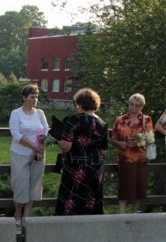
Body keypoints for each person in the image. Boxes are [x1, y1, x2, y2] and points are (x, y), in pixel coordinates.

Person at [55, 88, 108, 215]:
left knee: (72, 198)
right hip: (95, 166)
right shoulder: (102, 123)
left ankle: (69, 228)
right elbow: (103, 151)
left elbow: (66, 146)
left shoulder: (74, 119)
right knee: (92, 199)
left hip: (76, 165)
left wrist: (58, 141)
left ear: (79, 103)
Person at [9, 84, 49, 221]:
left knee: (34, 186)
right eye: (32, 97)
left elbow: (46, 131)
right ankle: (18, 214)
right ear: (24, 97)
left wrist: (40, 148)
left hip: (38, 154)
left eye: (36, 97)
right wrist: (34, 147)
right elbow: (16, 135)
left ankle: (27, 216)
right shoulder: (16, 113)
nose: (35, 99)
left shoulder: (40, 113)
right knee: (20, 185)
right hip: (20, 154)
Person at [110, 93, 154, 213]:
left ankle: (134, 212)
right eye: (131, 104)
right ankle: (122, 212)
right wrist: (120, 144)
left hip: (141, 158)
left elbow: (150, 138)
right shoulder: (120, 120)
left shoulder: (146, 120)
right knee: (124, 186)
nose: (133, 107)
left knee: (139, 187)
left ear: (141, 107)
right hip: (125, 157)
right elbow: (113, 137)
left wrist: (136, 143)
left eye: (136, 105)